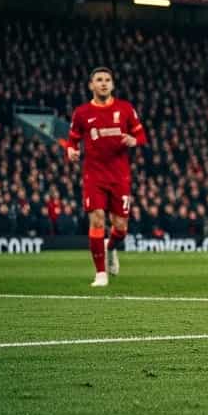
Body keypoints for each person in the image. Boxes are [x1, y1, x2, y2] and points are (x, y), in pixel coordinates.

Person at [65, 67, 146, 286]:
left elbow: (141, 135)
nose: (103, 83)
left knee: (120, 228)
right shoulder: (82, 113)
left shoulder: (125, 109)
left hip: (120, 176)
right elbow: (72, 140)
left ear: (112, 84)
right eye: (99, 80)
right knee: (97, 218)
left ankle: (110, 248)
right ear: (91, 85)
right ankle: (101, 273)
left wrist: (133, 140)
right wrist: (70, 150)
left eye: (107, 80)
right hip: (94, 176)